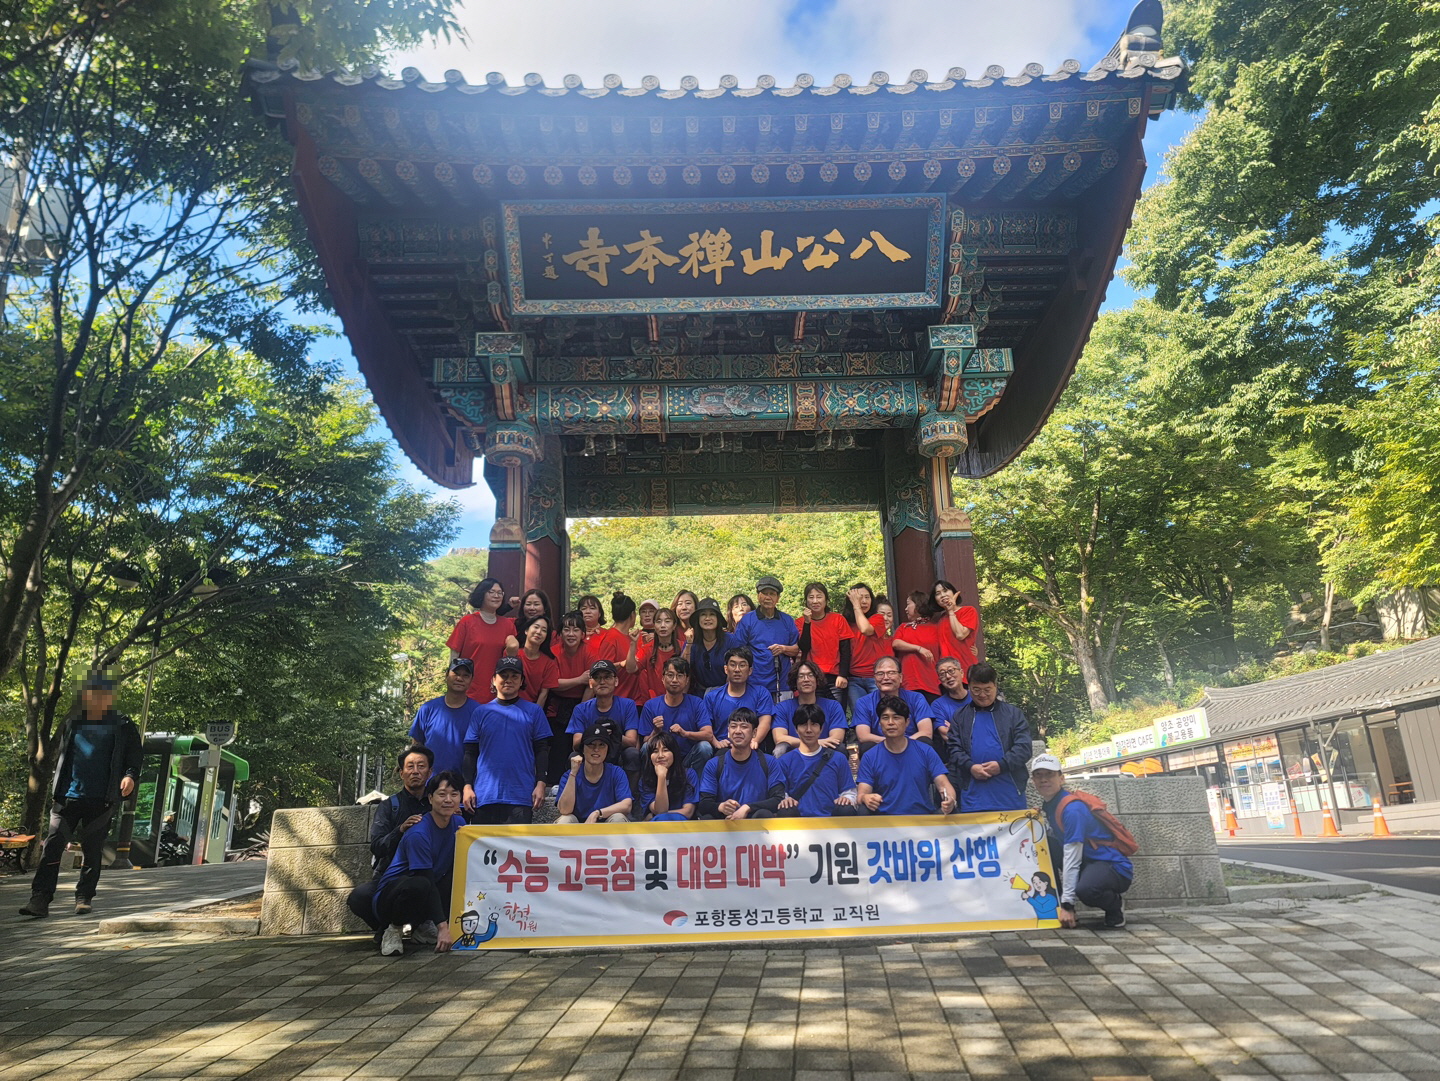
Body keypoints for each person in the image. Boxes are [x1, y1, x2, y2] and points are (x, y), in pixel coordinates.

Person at [19, 674, 141, 918]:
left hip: (102, 799)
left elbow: (134, 757)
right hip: (66, 797)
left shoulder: (123, 725)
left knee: (92, 849)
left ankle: (84, 897)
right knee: (52, 847)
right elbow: (63, 755)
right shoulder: (73, 722)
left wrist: (129, 776)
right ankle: (40, 899)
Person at [1030, 754, 1133, 929]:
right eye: (1038, 775)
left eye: (1049, 774)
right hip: (1087, 862)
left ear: (1061, 778)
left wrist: (1068, 905)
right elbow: (1058, 837)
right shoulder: (1051, 803)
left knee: (1086, 890)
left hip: (1111, 865)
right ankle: (1057, 904)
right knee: (1045, 845)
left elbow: (1072, 857)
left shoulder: (1072, 810)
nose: (1044, 779)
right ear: (1033, 781)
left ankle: (1115, 906)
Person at [368, 771, 465, 956]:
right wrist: (443, 927)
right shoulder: (419, 833)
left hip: (423, 893)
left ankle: (422, 928)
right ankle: (393, 929)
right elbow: (424, 878)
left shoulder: (459, 824)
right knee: (420, 883)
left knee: (457, 873)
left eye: (454, 794)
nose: (448, 800)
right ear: (430, 798)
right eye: (442, 794)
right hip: (390, 899)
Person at [461, 658, 550, 824]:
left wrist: (541, 783)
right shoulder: (480, 712)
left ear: (521, 681)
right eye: (504, 675)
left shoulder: (534, 711)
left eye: (514, 676)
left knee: (518, 842)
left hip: (520, 795)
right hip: (485, 795)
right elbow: (470, 753)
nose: (509, 680)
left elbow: (542, 750)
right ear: (494, 680)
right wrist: (467, 786)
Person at [944, 662, 1032, 813]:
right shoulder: (960, 716)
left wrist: (1002, 765)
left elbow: (1024, 748)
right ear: (969, 687)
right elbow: (953, 749)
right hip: (973, 797)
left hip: (1010, 795)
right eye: (976, 690)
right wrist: (970, 766)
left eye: (987, 689)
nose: (982, 695)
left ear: (995, 686)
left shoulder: (1013, 714)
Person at [855, 697, 957, 816]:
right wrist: (866, 798)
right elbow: (861, 794)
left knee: (952, 810)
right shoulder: (870, 756)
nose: (890, 723)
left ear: (907, 722)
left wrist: (950, 800)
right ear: (879, 723)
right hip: (885, 821)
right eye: (885, 718)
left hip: (923, 818)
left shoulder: (925, 751)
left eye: (896, 717)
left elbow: (944, 784)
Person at [696, 709, 786, 820]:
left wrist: (748, 807)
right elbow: (704, 803)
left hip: (757, 823)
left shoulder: (769, 762)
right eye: (733, 726)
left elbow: (778, 799)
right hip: (726, 823)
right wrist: (721, 807)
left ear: (754, 732)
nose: (738, 731)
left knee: (764, 814)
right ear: (728, 732)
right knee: (707, 818)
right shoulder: (714, 764)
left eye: (744, 727)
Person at [775, 705, 858, 817]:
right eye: (803, 724)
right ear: (796, 729)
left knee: (846, 809)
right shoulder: (784, 761)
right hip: (797, 821)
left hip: (832, 820)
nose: (809, 730)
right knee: (785, 810)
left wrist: (846, 799)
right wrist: (785, 800)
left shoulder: (838, 759)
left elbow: (850, 792)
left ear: (821, 728)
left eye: (814, 724)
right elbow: (779, 794)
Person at [636, 657, 715, 769]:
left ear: (687, 680)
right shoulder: (650, 705)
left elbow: (708, 735)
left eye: (680, 675)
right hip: (662, 758)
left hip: (688, 758)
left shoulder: (696, 703)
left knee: (705, 747)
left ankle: (695, 780)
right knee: (646, 747)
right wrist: (656, 731)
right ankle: (654, 779)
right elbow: (645, 742)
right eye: (670, 675)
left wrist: (685, 733)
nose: (674, 680)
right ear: (663, 678)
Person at [447, 577, 516, 704]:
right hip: (467, 690)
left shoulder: (508, 625)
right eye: (491, 592)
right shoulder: (467, 622)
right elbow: (454, 657)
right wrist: (452, 686)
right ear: (481, 594)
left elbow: (510, 660)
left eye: (500, 593)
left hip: (496, 692)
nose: (496, 596)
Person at [408, 658, 482, 776]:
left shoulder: (479, 712)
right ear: (446, 675)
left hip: (465, 783)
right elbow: (417, 746)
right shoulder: (428, 709)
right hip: (430, 782)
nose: (460, 678)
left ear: (471, 680)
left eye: (465, 675)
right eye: (456, 674)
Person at [368, 745, 433, 875]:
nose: (415, 771)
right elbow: (377, 847)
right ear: (402, 773)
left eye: (421, 766)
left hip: (430, 873)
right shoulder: (389, 806)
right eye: (410, 767)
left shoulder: (436, 805)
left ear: (430, 772)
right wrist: (400, 830)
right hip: (393, 876)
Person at [733, 575, 799, 701]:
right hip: (754, 684)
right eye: (764, 593)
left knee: (782, 714)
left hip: (782, 684)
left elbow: (796, 649)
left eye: (772, 594)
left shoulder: (787, 620)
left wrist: (783, 649)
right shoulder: (748, 620)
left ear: (778, 598)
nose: (768, 597)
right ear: (758, 596)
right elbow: (737, 651)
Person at [851, 656, 936, 754]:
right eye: (880, 674)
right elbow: (863, 736)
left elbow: (926, 732)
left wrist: (902, 744)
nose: (886, 678)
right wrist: (891, 744)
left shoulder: (916, 698)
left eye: (891, 673)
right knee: (867, 746)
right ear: (874, 679)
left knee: (925, 741)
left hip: (912, 747)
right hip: (881, 749)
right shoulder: (863, 702)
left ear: (900, 677)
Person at [547, 611, 593, 784]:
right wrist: (579, 679)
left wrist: (580, 710)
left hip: (583, 702)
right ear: (560, 634)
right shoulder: (553, 653)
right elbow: (553, 683)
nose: (571, 634)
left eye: (575, 630)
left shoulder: (589, 652)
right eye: (566, 629)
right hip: (557, 704)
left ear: (583, 634)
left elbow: (591, 684)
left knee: (579, 744)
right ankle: (554, 784)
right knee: (558, 746)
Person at [702, 646, 776, 752]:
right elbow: (705, 726)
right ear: (726, 669)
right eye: (733, 665)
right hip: (722, 748)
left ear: (750, 670)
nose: (737, 670)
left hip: (751, 748)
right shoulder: (712, 697)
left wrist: (754, 741)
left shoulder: (761, 693)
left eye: (742, 665)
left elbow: (765, 722)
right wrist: (716, 743)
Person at [567, 660, 641, 762]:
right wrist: (597, 733)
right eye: (597, 678)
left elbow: (632, 742)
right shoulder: (580, 709)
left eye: (607, 677)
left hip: (618, 752)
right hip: (591, 752)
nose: (602, 682)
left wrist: (614, 734)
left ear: (616, 681)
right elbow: (576, 744)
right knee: (574, 756)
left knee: (632, 754)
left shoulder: (628, 705)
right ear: (591, 683)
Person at [557, 727, 633, 824]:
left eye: (602, 745)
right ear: (583, 749)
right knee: (565, 820)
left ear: (607, 750)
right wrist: (573, 774)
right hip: (579, 827)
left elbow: (627, 805)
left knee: (618, 818)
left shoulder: (616, 772)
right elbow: (564, 810)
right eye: (591, 744)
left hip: (606, 825)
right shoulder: (569, 775)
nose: (596, 749)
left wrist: (598, 813)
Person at [771, 659, 848, 755]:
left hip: (824, 754)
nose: (806, 679)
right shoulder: (782, 708)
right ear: (795, 681)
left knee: (840, 748)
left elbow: (837, 738)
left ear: (817, 680)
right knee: (781, 748)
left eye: (810, 675)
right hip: (795, 754)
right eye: (801, 676)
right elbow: (779, 738)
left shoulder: (833, 706)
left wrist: (817, 745)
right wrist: (816, 743)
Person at [796, 581, 853, 702]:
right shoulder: (799, 622)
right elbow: (804, 647)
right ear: (806, 601)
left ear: (826, 600)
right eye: (811, 597)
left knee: (837, 710)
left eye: (819, 597)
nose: (815, 601)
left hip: (834, 676)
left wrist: (843, 675)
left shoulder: (838, 619)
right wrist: (807, 623)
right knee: (814, 711)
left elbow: (846, 650)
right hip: (811, 676)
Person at [589, 592, 647, 706]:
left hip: (635, 700)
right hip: (617, 702)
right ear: (632, 615)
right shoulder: (611, 638)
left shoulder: (631, 638)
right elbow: (602, 668)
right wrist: (621, 664)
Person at [842, 582, 891, 716]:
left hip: (875, 677)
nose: (864, 601)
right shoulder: (845, 622)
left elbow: (865, 629)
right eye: (859, 598)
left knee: (881, 715)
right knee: (860, 716)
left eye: (867, 597)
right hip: (854, 678)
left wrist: (856, 606)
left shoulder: (877, 618)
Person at [632, 731, 699, 821]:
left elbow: (688, 812)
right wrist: (661, 777)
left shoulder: (688, 774)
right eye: (655, 751)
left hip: (682, 824)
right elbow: (660, 811)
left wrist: (653, 815)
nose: (660, 755)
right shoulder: (646, 780)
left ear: (674, 753)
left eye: (665, 750)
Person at [890, 590, 941, 698]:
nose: (905, 609)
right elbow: (896, 643)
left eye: (908, 604)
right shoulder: (904, 627)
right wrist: (918, 648)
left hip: (931, 683)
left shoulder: (936, 628)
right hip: (908, 683)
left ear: (918, 604)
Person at [506, 614, 559, 714]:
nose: (539, 632)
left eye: (544, 630)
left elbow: (543, 694)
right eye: (536, 627)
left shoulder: (549, 662)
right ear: (526, 630)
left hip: (531, 709)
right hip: (508, 707)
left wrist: (534, 715)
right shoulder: (513, 653)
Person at [629, 606, 682, 703]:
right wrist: (633, 643)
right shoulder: (647, 649)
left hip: (680, 701)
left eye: (667, 621)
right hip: (656, 702)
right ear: (654, 625)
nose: (663, 625)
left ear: (674, 626)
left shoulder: (683, 647)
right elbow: (631, 669)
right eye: (658, 621)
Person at [931, 579, 980, 675]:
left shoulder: (969, 611)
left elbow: (960, 634)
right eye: (938, 593)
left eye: (945, 591)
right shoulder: (940, 619)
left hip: (966, 668)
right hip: (946, 672)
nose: (942, 595)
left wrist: (951, 611)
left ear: (953, 593)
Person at [685, 596, 730, 693]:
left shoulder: (730, 640)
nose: (708, 618)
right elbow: (683, 668)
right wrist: (688, 644)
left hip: (726, 692)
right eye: (703, 614)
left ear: (718, 619)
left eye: (712, 614)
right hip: (698, 693)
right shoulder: (692, 640)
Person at [929, 656, 971, 745]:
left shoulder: (976, 697)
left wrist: (955, 729)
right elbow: (946, 736)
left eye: (951, 671)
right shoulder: (938, 705)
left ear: (961, 673)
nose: (948, 676)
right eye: (942, 674)